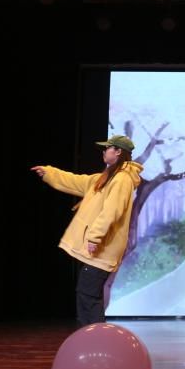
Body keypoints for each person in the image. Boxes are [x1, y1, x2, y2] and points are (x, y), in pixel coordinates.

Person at [31, 135, 143, 326]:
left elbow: (112, 211)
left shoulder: (122, 179)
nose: (104, 151)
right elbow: (78, 182)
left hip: (104, 247)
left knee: (88, 296)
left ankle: (94, 338)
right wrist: (50, 173)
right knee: (88, 295)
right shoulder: (108, 177)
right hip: (100, 247)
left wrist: (94, 237)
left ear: (118, 151)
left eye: (107, 148)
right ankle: (91, 337)